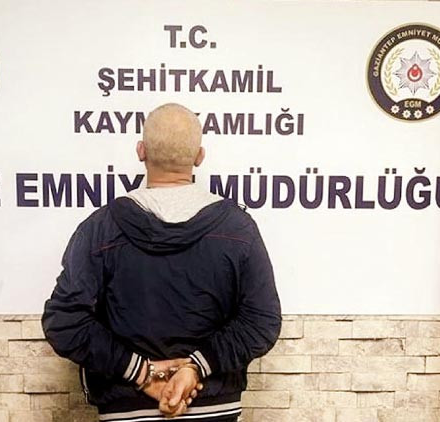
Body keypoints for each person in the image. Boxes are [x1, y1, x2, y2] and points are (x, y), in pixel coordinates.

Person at [42, 103, 281, 421]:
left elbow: (64, 322)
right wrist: (196, 368)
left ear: (141, 151)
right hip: (214, 406)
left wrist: (142, 373)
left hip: (125, 409)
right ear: (199, 156)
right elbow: (261, 322)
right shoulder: (238, 228)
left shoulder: (100, 228)